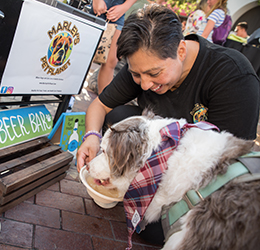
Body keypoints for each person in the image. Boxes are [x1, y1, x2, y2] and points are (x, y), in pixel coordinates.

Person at [77, 4, 260, 245]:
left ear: (181, 50)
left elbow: (227, 173)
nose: (143, 85)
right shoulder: (142, 61)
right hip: (155, 156)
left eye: (154, 74)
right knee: (118, 117)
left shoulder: (233, 75)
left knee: (152, 229)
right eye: (136, 75)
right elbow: (99, 106)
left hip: (200, 184)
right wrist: (92, 136)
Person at [90, 0, 137, 94]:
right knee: (81, 54)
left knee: (111, 60)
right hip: (94, 4)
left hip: (117, 10)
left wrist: (124, 7)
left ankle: (103, 103)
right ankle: (68, 98)